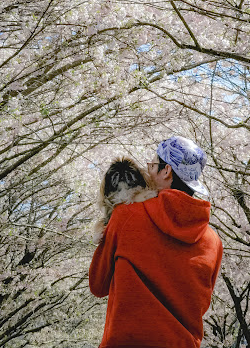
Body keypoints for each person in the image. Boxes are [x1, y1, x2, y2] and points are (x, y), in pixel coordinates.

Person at [89, 136, 223, 348]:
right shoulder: (214, 242)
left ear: (166, 171)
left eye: (152, 166)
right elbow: (200, 304)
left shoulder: (125, 216)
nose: (148, 172)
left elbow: (98, 285)